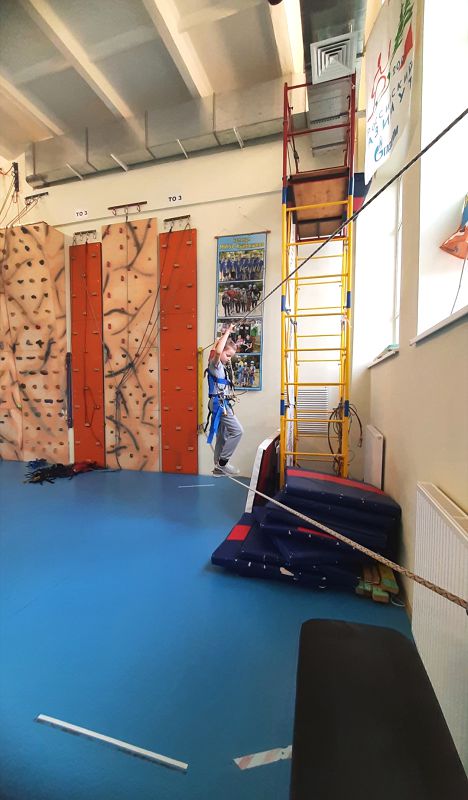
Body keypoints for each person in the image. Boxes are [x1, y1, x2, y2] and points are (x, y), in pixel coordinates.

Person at [206, 323, 243, 476]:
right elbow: (218, 351)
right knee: (238, 431)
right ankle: (223, 463)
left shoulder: (221, 366)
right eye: (227, 355)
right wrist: (227, 331)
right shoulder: (215, 364)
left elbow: (218, 350)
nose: (228, 359)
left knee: (222, 436)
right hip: (219, 404)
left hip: (221, 403)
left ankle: (217, 468)